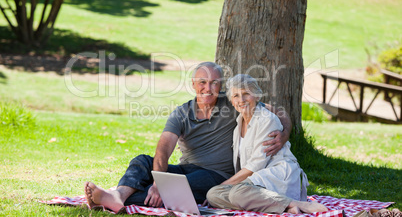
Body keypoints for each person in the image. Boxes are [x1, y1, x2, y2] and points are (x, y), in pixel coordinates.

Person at [84, 62, 292, 213]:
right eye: (202, 82)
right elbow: (164, 148)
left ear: (220, 86)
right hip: (186, 167)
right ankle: (118, 196)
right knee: (142, 161)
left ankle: (112, 200)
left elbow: (280, 114)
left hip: (216, 174)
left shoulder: (233, 103)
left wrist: (282, 137)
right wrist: (158, 180)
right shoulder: (182, 113)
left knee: (175, 189)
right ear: (193, 84)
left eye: (214, 83)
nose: (208, 88)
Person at [206, 74, 328, 214]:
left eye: (246, 93)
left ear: (257, 96)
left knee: (235, 192)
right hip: (255, 182)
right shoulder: (237, 127)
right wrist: (223, 188)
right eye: (236, 96)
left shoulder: (266, 119)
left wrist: (225, 185)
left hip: (278, 175)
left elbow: (256, 165)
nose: (241, 100)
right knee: (213, 195)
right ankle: (283, 206)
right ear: (232, 101)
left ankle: (296, 203)